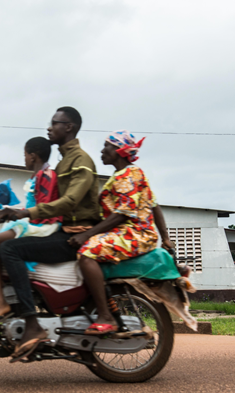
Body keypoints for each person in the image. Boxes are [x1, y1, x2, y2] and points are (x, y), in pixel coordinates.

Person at [0, 106, 101, 360]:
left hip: (76, 234)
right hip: (64, 230)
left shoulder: (80, 161)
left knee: (9, 249)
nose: (49, 127)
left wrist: (27, 214)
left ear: (69, 128)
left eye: (55, 123)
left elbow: (70, 202)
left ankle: (32, 325)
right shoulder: (65, 160)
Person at [68, 130, 174, 335]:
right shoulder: (132, 173)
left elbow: (122, 214)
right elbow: (155, 206)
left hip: (133, 233)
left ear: (119, 150)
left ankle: (106, 316)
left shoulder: (127, 176)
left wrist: (86, 235)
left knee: (86, 253)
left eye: (106, 146)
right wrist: (165, 238)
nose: (102, 150)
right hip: (137, 232)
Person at [0, 137, 61, 329]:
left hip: (43, 225)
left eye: (25, 154)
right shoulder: (38, 176)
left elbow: (43, 209)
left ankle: (0, 301)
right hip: (33, 221)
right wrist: (3, 214)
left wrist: (16, 215)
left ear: (33, 156)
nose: (24, 159)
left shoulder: (47, 175)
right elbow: (30, 206)